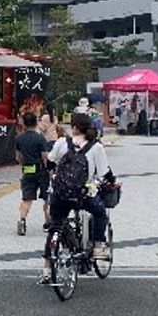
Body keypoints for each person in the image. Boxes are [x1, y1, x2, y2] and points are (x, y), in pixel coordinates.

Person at [40, 114, 114, 284]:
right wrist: (112, 181)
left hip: (60, 194)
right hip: (83, 195)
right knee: (100, 213)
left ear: (73, 127)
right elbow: (104, 172)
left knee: (55, 227)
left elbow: (49, 163)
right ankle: (98, 247)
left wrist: (55, 176)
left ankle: (47, 269)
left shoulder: (61, 143)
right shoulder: (96, 147)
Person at [15, 112, 50, 236]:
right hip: (41, 170)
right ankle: (48, 222)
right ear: (36, 123)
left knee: (27, 198)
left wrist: (24, 165)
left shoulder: (19, 138)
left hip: (27, 170)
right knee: (47, 198)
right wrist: (49, 170)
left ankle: (22, 219)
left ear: (24, 124)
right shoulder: (40, 138)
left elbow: (18, 157)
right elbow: (45, 156)